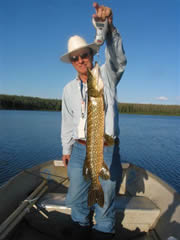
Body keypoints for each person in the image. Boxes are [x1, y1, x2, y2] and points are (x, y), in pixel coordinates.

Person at [60, 2, 127, 240]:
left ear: (91, 55)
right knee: (77, 199)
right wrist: (66, 148)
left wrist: (108, 28)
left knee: (105, 201)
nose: (81, 60)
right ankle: (80, 226)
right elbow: (67, 121)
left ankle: (103, 231)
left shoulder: (105, 77)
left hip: (105, 148)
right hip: (78, 149)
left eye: (84, 55)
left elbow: (117, 60)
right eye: (75, 58)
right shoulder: (68, 89)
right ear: (72, 61)